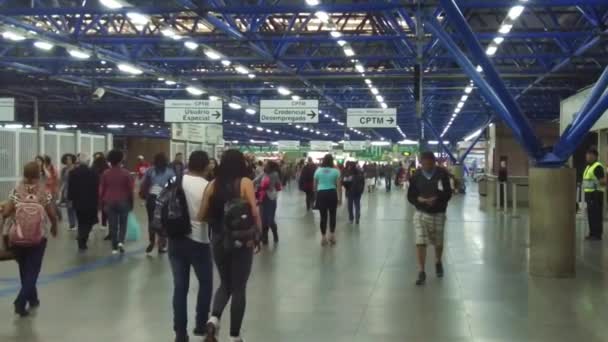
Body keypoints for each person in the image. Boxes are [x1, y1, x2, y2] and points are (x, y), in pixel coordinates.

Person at [198, 149, 261, 342]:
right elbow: (255, 212)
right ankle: (234, 336)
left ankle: (213, 319)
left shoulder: (212, 185)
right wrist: (257, 235)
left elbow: (201, 215)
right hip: (242, 240)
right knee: (239, 287)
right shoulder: (245, 183)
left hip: (218, 239)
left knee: (225, 283)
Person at [2, 162, 58, 317]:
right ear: (38, 174)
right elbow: (52, 213)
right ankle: (20, 301)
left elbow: (6, 212)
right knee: (32, 271)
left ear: (24, 174)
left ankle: (33, 298)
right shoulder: (43, 191)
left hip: (17, 237)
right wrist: (54, 226)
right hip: (38, 237)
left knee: (24, 269)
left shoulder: (16, 190)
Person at [170, 151, 213, 342]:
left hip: (176, 238)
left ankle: (180, 333)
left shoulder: (176, 180)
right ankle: (200, 324)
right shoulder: (208, 186)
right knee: (205, 283)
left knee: (180, 287)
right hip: (199, 239)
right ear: (205, 166)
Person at [407, 152, 452, 286]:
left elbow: (448, 193)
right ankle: (421, 271)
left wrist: (437, 198)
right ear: (421, 163)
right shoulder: (416, 176)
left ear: (434, 162)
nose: (427, 166)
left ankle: (438, 261)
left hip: (438, 212)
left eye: (429, 164)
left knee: (438, 241)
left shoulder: (442, 174)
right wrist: (419, 200)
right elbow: (411, 196)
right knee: (420, 240)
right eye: (424, 164)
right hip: (421, 212)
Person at [99, 150, 134, 254]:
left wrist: (101, 203)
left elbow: (101, 190)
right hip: (123, 201)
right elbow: (130, 190)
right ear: (121, 159)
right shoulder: (126, 173)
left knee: (112, 225)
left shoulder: (105, 173)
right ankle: (121, 242)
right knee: (123, 223)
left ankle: (114, 247)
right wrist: (131, 203)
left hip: (109, 201)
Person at [142, 153, 176, 254]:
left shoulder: (150, 170)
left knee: (151, 220)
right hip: (165, 199)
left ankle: (152, 241)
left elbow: (144, 183)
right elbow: (173, 187)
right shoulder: (170, 172)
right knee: (164, 222)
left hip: (152, 199)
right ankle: (162, 245)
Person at [67, 153, 99, 251]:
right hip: (91, 202)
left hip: (78, 202)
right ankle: (82, 238)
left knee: (81, 221)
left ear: (78, 161)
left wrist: (70, 200)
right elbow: (97, 188)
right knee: (90, 222)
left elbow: (70, 188)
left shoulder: (73, 173)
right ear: (88, 161)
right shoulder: (94, 172)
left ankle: (82, 240)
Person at [314, 154, 342, 246]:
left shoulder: (318, 171)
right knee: (333, 215)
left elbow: (314, 186)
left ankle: (323, 238)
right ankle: (332, 236)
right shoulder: (336, 171)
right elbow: (339, 186)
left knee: (323, 217)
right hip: (332, 193)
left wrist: (315, 197)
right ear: (332, 161)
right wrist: (340, 198)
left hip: (321, 194)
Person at [257, 160, 282, 245]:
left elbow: (278, 184)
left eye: (266, 165)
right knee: (263, 219)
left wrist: (271, 186)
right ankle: (265, 237)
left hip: (271, 198)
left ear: (270, 166)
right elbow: (255, 181)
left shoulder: (274, 174)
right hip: (262, 199)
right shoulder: (263, 174)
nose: (265, 166)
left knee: (270, 219)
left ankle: (275, 234)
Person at [583, 149, 605, 241]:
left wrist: (597, 185)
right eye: (587, 155)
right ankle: (592, 233)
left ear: (595, 156)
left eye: (590, 155)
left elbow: (603, 181)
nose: (588, 156)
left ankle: (597, 235)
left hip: (595, 194)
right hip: (589, 194)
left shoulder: (597, 167)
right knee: (591, 215)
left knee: (596, 215)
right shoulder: (589, 167)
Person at [92, 153, 110, 233]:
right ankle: (103, 223)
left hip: (95, 190)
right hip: (105, 190)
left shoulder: (93, 168)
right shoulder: (107, 168)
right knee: (104, 207)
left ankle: (95, 220)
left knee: (95, 206)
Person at [60, 153, 78, 230]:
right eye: (67, 159)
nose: (68, 161)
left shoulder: (76, 168)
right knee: (68, 208)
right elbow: (63, 181)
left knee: (74, 207)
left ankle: (75, 224)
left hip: (75, 189)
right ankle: (72, 224)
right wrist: (61, 190)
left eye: (70, 159)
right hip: (66, 190)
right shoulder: (64, 170)